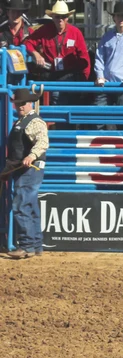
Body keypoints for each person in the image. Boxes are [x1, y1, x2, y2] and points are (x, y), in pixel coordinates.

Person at [0, 89, 48, 259]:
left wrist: (31, 155)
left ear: (30, 104)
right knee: (29, 206)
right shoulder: (25, 121)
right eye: (17, 103)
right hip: (25, 169)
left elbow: (42, 141)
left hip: (29, 169)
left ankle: (27, 245)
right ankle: (35, 245)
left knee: (21, 205)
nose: (20, 106)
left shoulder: (33, 122)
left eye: (22, 103)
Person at [24, 0, 91, 106]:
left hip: (70, 75)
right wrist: (35, 54)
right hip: (52, 74)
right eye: (57, 16)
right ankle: (59, 122)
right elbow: (28, 42)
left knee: (71, 103)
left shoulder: (75, 33)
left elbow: (84, 58)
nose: (60, 19)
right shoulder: (45, 30)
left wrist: (84, 81)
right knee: (57, 100)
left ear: (67, 18)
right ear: (53, 17)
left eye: (63, 16)